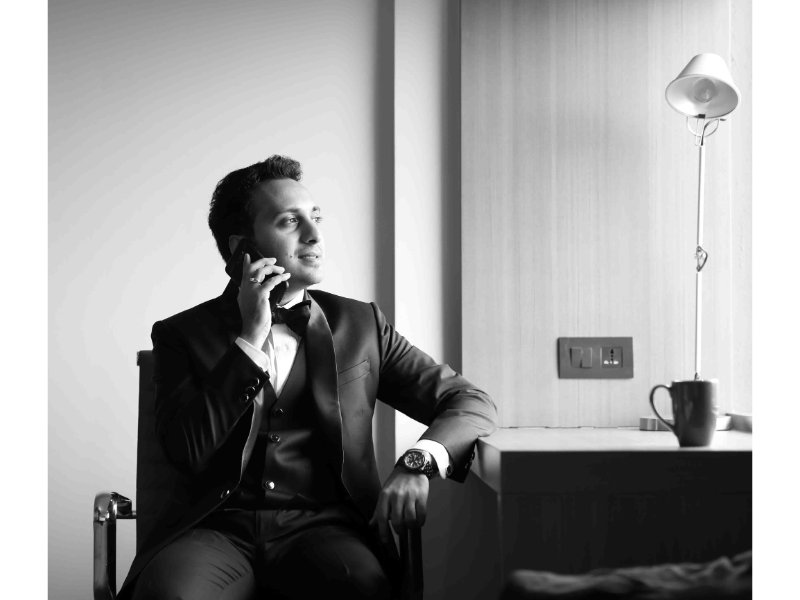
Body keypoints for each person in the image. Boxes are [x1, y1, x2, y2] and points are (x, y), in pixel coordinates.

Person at [119, 155, 497, 600]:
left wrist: (417, 463)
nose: (315, 234)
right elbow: (187, 452)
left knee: (363, 588)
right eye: (289, 221)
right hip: (214, 530)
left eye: (315, 217)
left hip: (324, 529)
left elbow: (468, 401)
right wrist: (250, 339)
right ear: (242, 248)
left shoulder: (361, 326)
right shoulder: (180, 335)